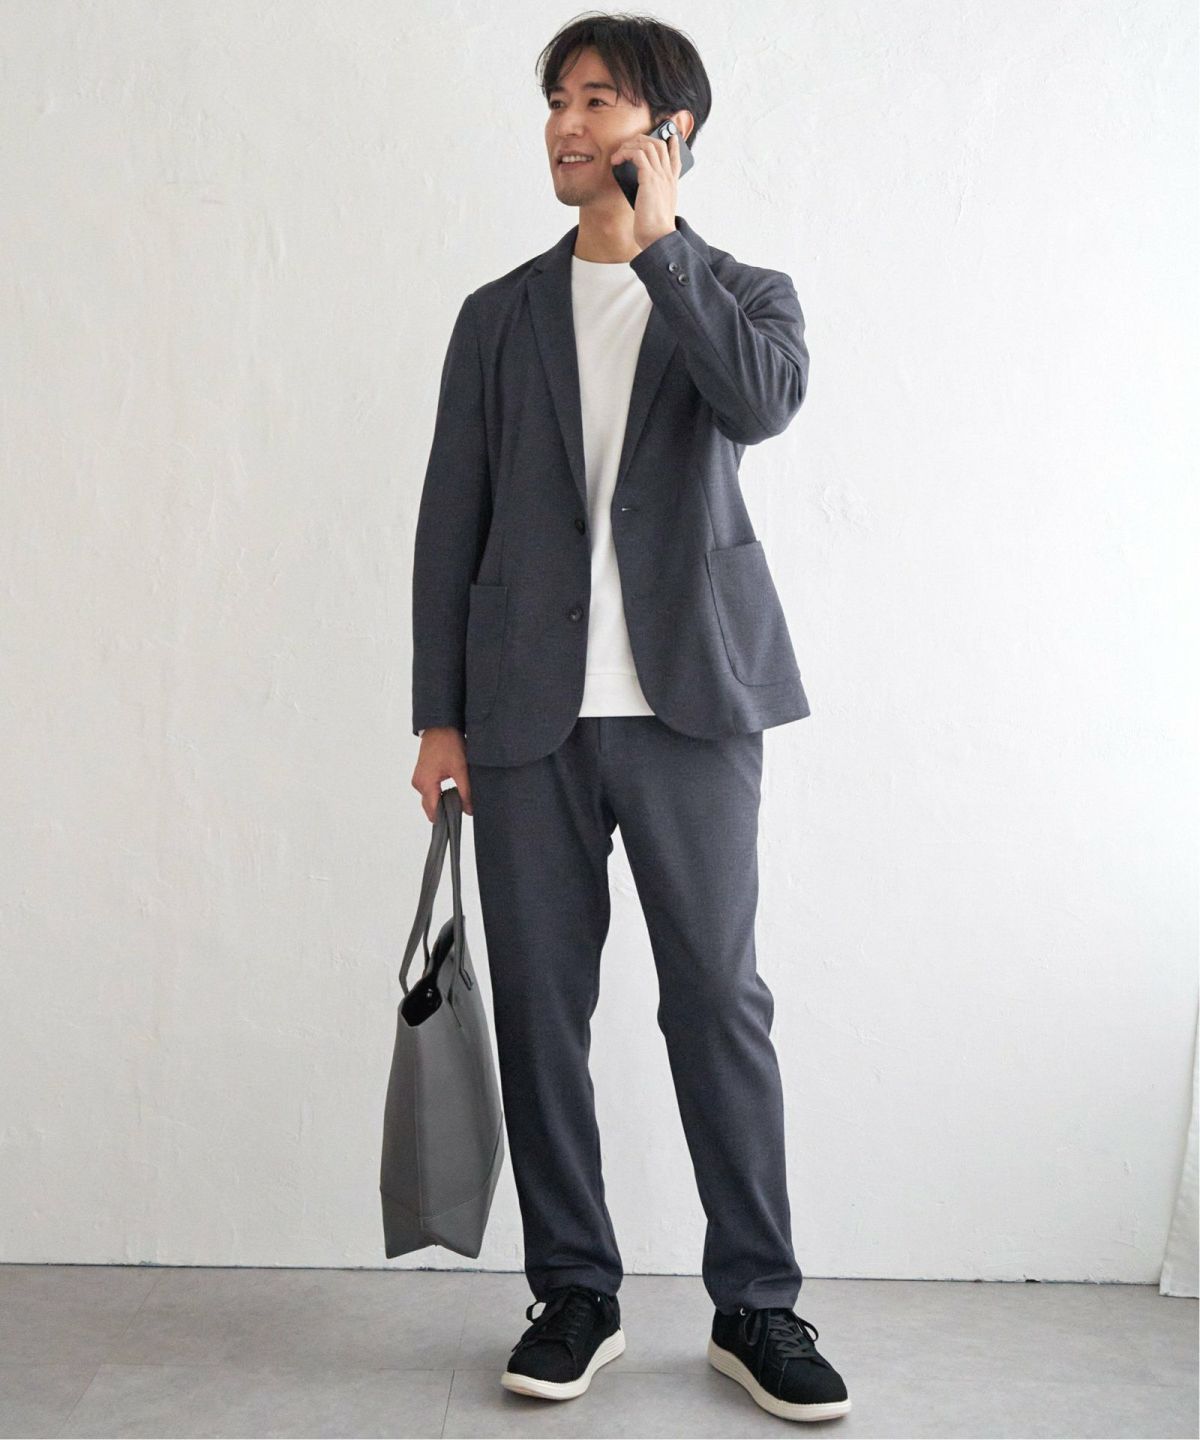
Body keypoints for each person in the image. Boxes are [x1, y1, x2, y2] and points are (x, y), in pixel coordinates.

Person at [409, 11, 850, 1424]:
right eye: (557, 99)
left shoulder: (745, 293)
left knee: (717, 998)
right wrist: (436, 716)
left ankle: (757, 1305)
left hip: (693, 708)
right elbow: (451, 520)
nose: (565, 123)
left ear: (671, 130)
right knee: (545, 1012)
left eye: (598, 99)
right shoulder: (498, 316)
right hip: (523, 720)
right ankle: (574, 1292)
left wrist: (662, 249)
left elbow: (760, 405)